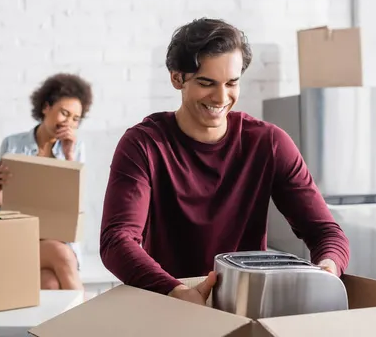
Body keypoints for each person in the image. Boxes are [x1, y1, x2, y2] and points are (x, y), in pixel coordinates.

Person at [99, 18, 350, 305]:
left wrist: (329, 267)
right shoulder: (143, 145)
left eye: (231, 83)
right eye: (207, 83)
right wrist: (178, 292)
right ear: (177, 78)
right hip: (169, 303)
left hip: (246, 304)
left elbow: (325, 231)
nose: (221, 97)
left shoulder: (268, 143)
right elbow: (116, 241)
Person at [0, 73, 93, 291]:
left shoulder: (75, 150)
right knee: (62, 256)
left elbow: (73, 207)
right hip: (21, 239)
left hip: (58, 239)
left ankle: (77, 322)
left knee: (50, 284)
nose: (69, 122)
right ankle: (90, 321)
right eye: (64, 113)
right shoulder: (13, 144)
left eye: (75, 119)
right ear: (46, 107)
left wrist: (68, 157)